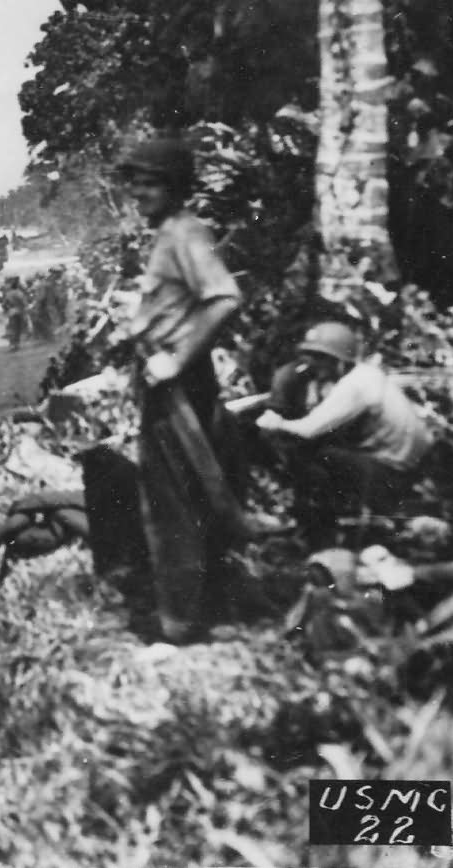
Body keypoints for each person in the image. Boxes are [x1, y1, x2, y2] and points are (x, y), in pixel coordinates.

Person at [118, 137, 248, 643]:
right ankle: (200, 612)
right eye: (134, 182)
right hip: (167, 383)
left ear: (174, 187)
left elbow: (224, 298)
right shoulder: (170, 233)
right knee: (185, 495)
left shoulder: (185, 233)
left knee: (174, 503)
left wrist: (176, 358)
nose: (138, 192)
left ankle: (181, 626)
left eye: (149, 183)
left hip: (179, 388)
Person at [255, 321, 435, 546]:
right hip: (409, 463)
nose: (314, 364)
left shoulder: (353, 386)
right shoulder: (368, 373)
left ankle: (319, 525)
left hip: (391, 471)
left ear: (339, 360)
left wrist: (277, 422)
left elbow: (308, 430)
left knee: (310, 454)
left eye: (321, 358)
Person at [2, 277, 28, 351]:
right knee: (18, 329)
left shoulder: (8, 294)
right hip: (19, 311)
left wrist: (7, 310)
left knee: (12, 328)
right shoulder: (19, 293)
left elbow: (4, 304)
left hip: (11, 312)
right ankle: (16, 344)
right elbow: (24, 303)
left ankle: (12, 344)